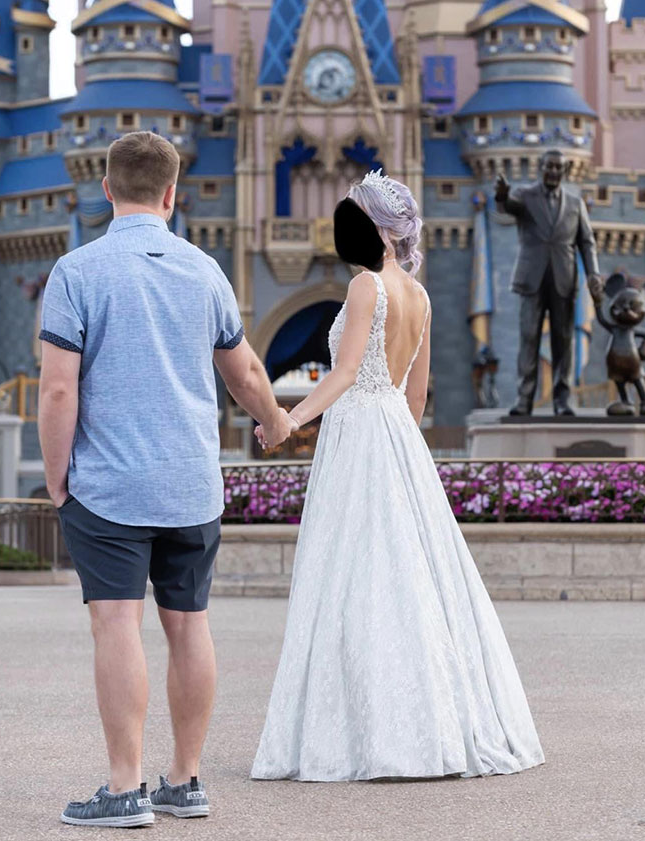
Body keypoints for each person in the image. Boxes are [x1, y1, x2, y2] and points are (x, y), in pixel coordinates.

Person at [251, 170, 545, 782]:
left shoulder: (366, 287)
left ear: (380, 231)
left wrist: (286, 419)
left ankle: (365, 734)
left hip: (359, 433)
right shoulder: (421, 295)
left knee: (353, 574)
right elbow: (416, 396)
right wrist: (402, 454)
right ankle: (426, 727)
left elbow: (343, 372)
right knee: (409, 576)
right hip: (396, 438)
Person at [38, 131, 293, 827]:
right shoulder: (205, 271)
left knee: (117, 622)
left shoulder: (77, 272)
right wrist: (273, 420)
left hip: (110, 486)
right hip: (190, 485)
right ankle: (183, 781)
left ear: (108, 189)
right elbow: (243, 372)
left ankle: (124, 789)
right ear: (173, 194)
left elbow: (59, 391)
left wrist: (58, 479)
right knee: (190, 627)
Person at [495, 149, 601, 416]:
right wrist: (502, 194)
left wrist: (593, 274)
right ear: (540, 168)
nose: (554, 172)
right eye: (549, 166)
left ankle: (563, 400)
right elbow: (508, 207)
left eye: (559, 167)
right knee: (529, 338)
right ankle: (524, 399)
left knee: (562, 341)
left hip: (564, 281)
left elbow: (586, 242)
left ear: (565, 172)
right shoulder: (526, 196)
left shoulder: (576, 204)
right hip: (532, 280)